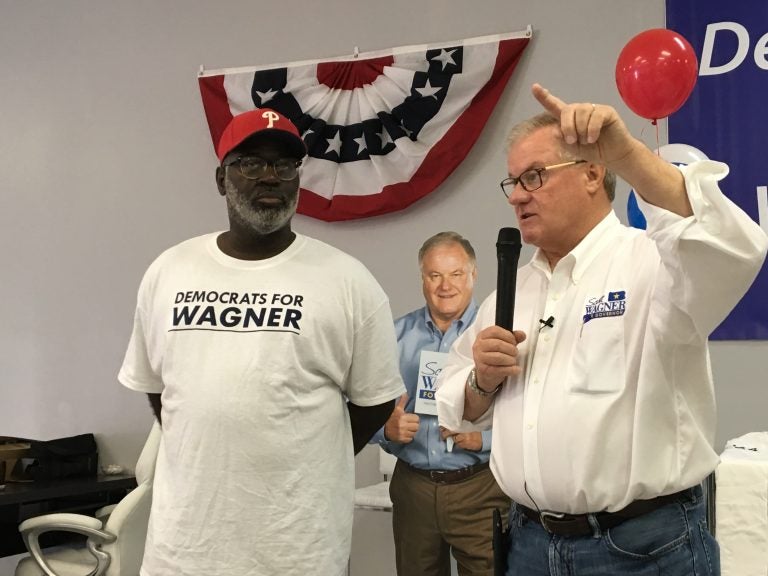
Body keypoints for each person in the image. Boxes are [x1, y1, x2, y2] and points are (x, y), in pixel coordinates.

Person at [436, 83, 768, 576]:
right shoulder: (511, 292)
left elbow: (733, 246)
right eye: (513, 183)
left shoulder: (654, 265)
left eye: (533, 177)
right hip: (528, 544)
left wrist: (627, 154)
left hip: (641, 550)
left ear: (593, 173)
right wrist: (480, 381)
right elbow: (456, 405)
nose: (518, 197)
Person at [118, 108, 405, 576]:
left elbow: (375, 403)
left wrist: (307, 453)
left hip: (295, 551)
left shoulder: (348, 281)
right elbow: (160, 389)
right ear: (220, 178)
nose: (269, 177)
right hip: (184, 549)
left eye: (285, 166)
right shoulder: (168, 272)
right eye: (250, 162)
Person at [370, 231, 510, 576]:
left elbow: (532, 411)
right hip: (414, 488)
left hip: (480, 486)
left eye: (456, 274)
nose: (445, 285)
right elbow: (361, 405)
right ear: (423, 280)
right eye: (435, 275)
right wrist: (386, 430)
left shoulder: (498, 335)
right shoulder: (394, 336)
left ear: (473, 275)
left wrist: (486, 440)